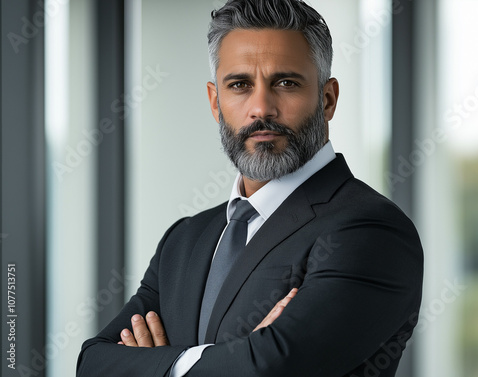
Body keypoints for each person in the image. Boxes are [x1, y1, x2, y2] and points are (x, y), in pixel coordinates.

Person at [77, 0, 423, 376]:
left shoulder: (371, 230)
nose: (261, 108)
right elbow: (93, 362)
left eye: (285, 83)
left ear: (327, 99)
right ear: (215, 102)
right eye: (240, 85)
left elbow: (272, 366)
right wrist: (232, 357)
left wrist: (159, 366)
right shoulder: (183, 241)